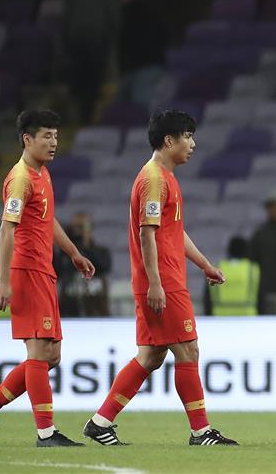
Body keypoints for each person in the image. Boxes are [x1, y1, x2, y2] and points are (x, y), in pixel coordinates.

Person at [83, 110, 237, 446]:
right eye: (188, 136)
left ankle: (100, 422)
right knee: (188, 350)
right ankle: (201, 431)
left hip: (162, 279)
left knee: (151, 356)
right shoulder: (154, 179)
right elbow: (147, 233)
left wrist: (204, 265)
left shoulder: (164, 177)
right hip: (163, 282)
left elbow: (173, 232)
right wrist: (155, 282)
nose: (193, 144)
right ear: (169, 140)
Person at [0, 109, 96, 447]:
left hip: (43, 270)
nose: (53, 142)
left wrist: (73, 253)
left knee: (51, 357)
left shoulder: (42, 173)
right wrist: (4, 280)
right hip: (25, 272)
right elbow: (6, 229)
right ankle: (46, 433)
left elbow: (47, 219)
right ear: (27, 139)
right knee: (38, 353)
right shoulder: (21, 178)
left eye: (56, 136)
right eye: (46, 136)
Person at [63, 0, 119, 123]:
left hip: (86, 41)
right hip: (88, 41)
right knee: (87, 83)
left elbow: (67, 17)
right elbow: (114, 17)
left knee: (87, 83)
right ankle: (84, 117)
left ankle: (86, 116)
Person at [54, 212, 112, 317]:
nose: (78, 232)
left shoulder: (101, 252)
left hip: (97, 313)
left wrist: (83, 247)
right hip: (68, 314)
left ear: (90, 229)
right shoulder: (64, 255)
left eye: (81, 227)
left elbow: (104, 266)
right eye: (75, 228)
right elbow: (57, 271)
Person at [206, 236, 260, 315]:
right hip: (247, 318)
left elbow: (207, 298)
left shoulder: (216, 268)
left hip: (220, 318)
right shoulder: (253, 269)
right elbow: (261, 296)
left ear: (229, 250)